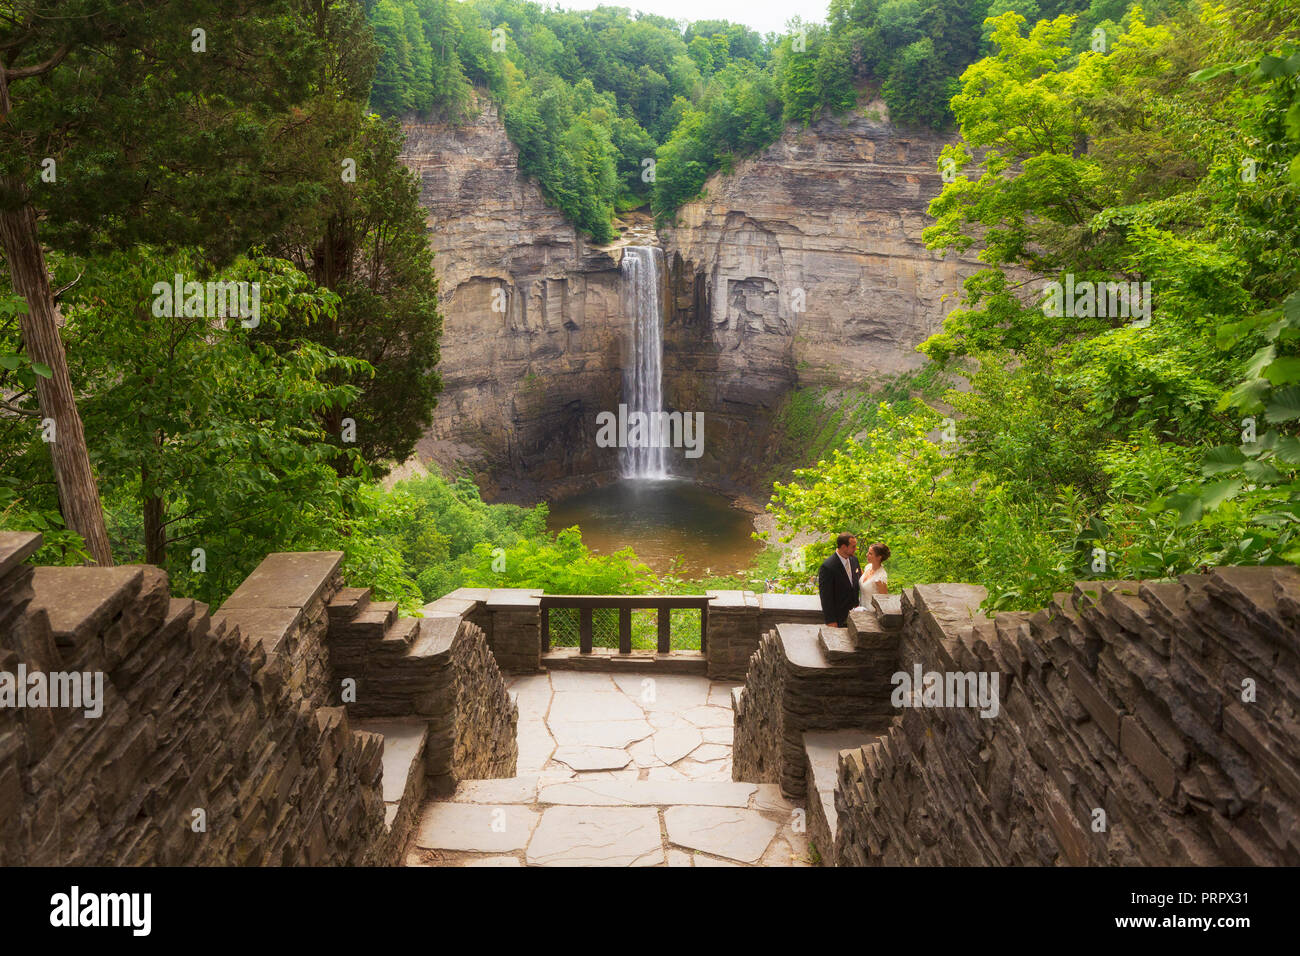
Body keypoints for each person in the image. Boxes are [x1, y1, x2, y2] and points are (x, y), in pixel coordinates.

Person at [817, 533, 860, 627]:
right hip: (839, 619)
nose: (856, 549)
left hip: (856, 618)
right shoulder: (828, 567)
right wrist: (831, 621)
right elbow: (826, 597)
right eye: (853, 546)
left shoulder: (854, 560)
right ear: (844, 547)